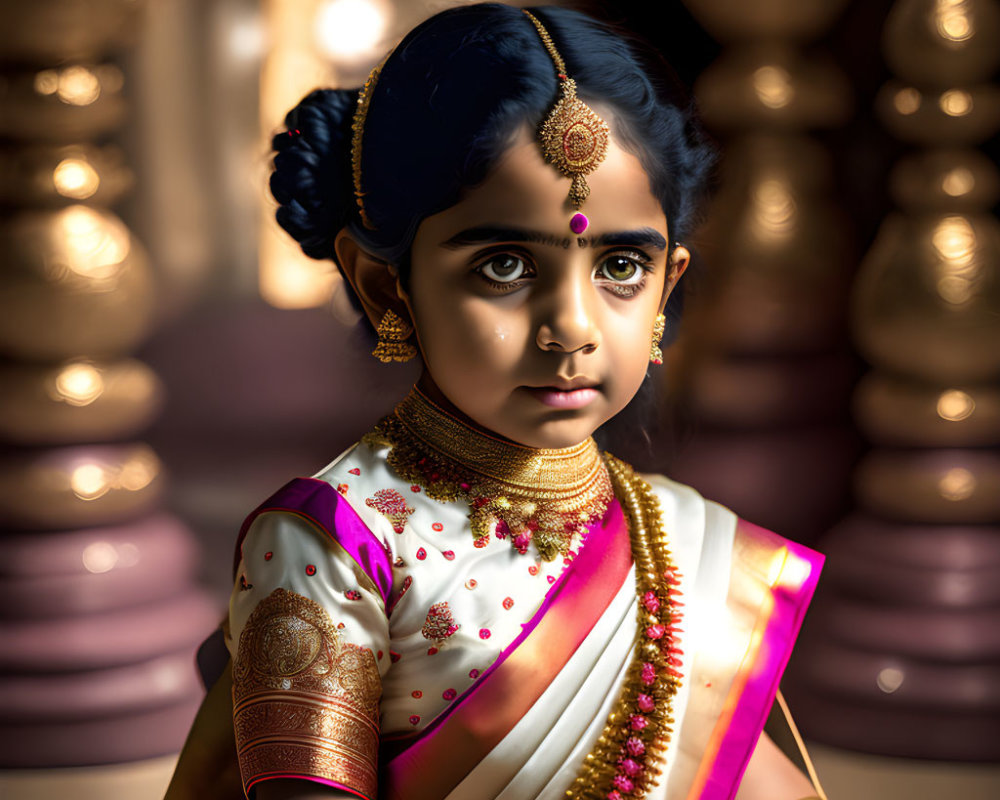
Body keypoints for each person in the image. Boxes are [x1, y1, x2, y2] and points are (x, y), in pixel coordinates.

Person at [166, 5, 825, 799]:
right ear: (386, 288)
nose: (571, 328)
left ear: (668, 284)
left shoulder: (679, 546)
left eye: (620, 266)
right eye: (505, 267)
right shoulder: (334, 548)